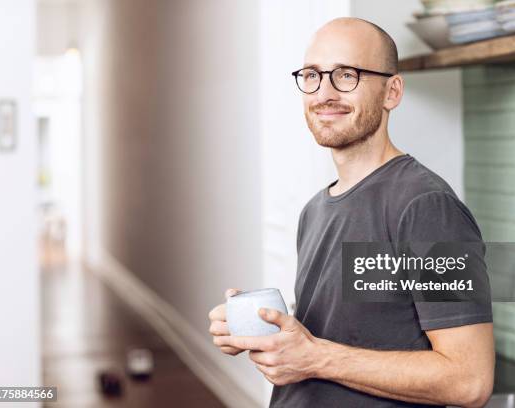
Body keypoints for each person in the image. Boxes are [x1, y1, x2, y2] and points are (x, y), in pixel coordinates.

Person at [208, 17, 494, 408]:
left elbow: (469, 380)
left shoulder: (426, 207)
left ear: (391, 91)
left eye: (347, 75)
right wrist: (262, 326)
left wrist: (315, 357)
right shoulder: (315, 210)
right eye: (312, 75)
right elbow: (353, 327)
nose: (325, 92)